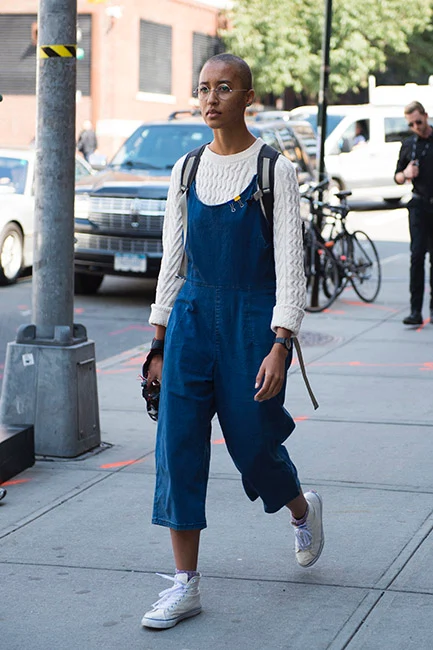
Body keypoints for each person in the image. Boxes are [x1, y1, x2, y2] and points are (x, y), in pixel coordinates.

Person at [141, 53, 324, 630]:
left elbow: (291, 267)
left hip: (252, 323)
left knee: (253, 445)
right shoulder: (186, 168)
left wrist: (281, 343)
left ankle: (301, 508)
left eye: (224, 87)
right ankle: (185, 584)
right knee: (177, 448)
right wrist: (158, 341)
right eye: (204, 88)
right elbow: (173, 261)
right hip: (192, 319)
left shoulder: (275, 170)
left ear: (248, 97)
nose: (211, 98)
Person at [394, 101, 433, 325]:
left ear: (426, 116)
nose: (416, 127)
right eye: (411, 124)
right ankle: (415, 310)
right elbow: (397, 176)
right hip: (418, 204)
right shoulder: (408, 144)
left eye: (418, 121)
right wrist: (406, 173)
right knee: (417, 256)